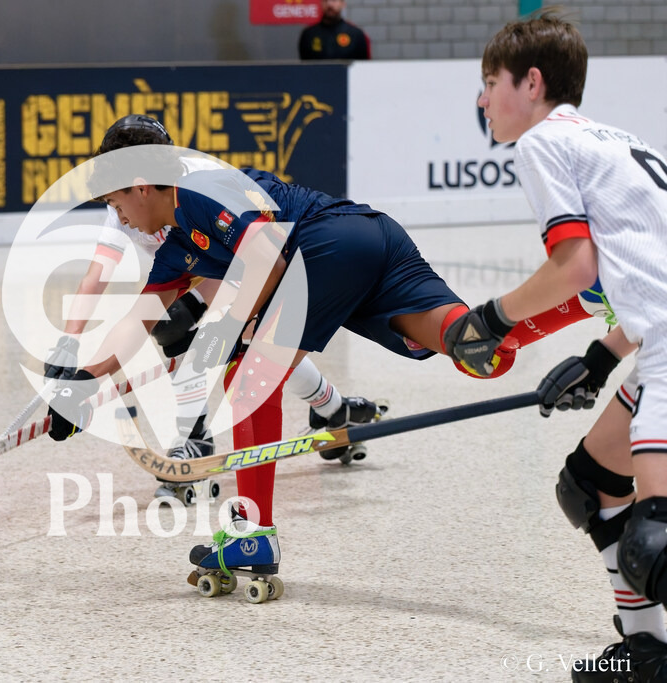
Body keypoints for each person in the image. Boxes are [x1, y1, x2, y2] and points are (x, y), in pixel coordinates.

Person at [48, 127, 610, 598]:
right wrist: (83, 385)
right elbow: (139, 322)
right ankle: (584, 301)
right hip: (372, 237)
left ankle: (254, 532)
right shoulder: (175, 246)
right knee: (477, 351)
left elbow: (266, 252)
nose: (119, 217)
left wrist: (242, 328)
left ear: (141, 185)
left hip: (326, 243)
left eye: (116, 203)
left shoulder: (204, 187)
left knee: (249, 375)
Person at [445, 11, 667, 680]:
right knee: (591, 482)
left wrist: (491, 317)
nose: (482, 99)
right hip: (654, 339)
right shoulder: (610, 137)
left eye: (490, 82)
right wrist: (601, 358)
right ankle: (646, 650)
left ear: (531, 82)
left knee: (656, 543)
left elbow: (573, 267)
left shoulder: (541, 143)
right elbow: (640, 274)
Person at [47, 115, 384, 504]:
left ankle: (202, 432)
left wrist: (228, 328)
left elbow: (257, 258)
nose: (119, 212)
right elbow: (99, 279)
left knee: (243, 343)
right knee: (185, 327)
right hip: (186, 267)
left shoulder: (198, 184)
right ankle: (323, 409)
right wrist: (73, 352)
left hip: (242, 260)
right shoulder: (122, 204)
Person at [298, 0, 371, 61]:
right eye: (325, 1)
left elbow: (363, 66)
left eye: (334, 0)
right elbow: (305, 65)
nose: (329, 4)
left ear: (343, 4)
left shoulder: (356, 34)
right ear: (321, 3)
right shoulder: (309, 34)